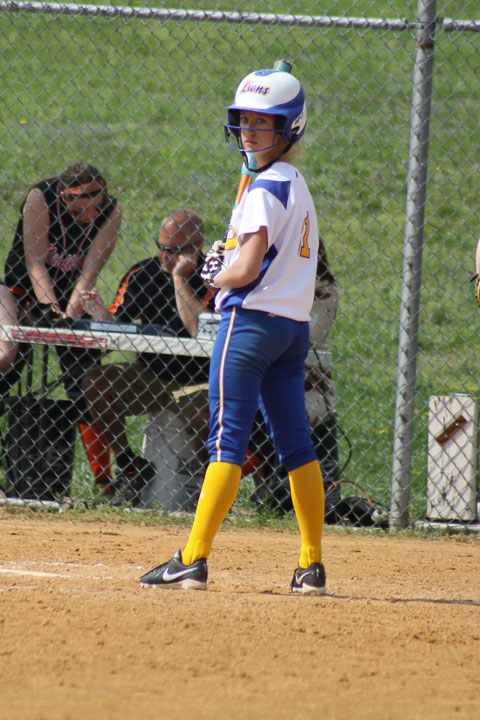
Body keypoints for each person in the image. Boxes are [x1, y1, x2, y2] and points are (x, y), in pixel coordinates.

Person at [140, 68, 326, 595]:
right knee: (296, 445)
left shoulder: (263, 189)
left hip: (249, 326)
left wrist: (215, 273)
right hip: (291, 329)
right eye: (245, 120)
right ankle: (310, 565)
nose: (250, 131)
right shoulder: (295, 183)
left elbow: (244, 269)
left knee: (226, 440)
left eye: (264, 123)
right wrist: (233, 259)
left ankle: (191, 559)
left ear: (289, 128)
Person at [0, 162, 122, 489]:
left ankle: (109, 478)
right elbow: (35, 263)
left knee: (86, 380)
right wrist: (50, 310)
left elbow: (89, 272)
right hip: (19, 290)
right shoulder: (41, 197)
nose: (91, 216)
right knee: (7, 358)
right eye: (82, 209)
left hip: (71, 298)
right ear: (65, 198)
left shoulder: (112, 210)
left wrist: (66, 318)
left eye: (96, 207)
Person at [79, 208, 212, 505]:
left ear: (196, 248)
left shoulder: (213, 276)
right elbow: (118, 325)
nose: (165, 256)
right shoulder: (142, 274)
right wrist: (102, 315)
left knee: (206, 420)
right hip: (150, 375)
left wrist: (179, 278)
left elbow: (202, 329)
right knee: (95, 381)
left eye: (174, 250)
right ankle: (129, 465)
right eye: (161, 246)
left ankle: (213, 488)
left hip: (199, 381)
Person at [249, 244, 342, 519]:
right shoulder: (268, 286)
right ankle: (268, 491)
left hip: (309, 386)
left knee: (286, 411)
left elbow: (305, 335)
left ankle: (308, 496)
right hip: (268, 377)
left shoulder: (324, 290)